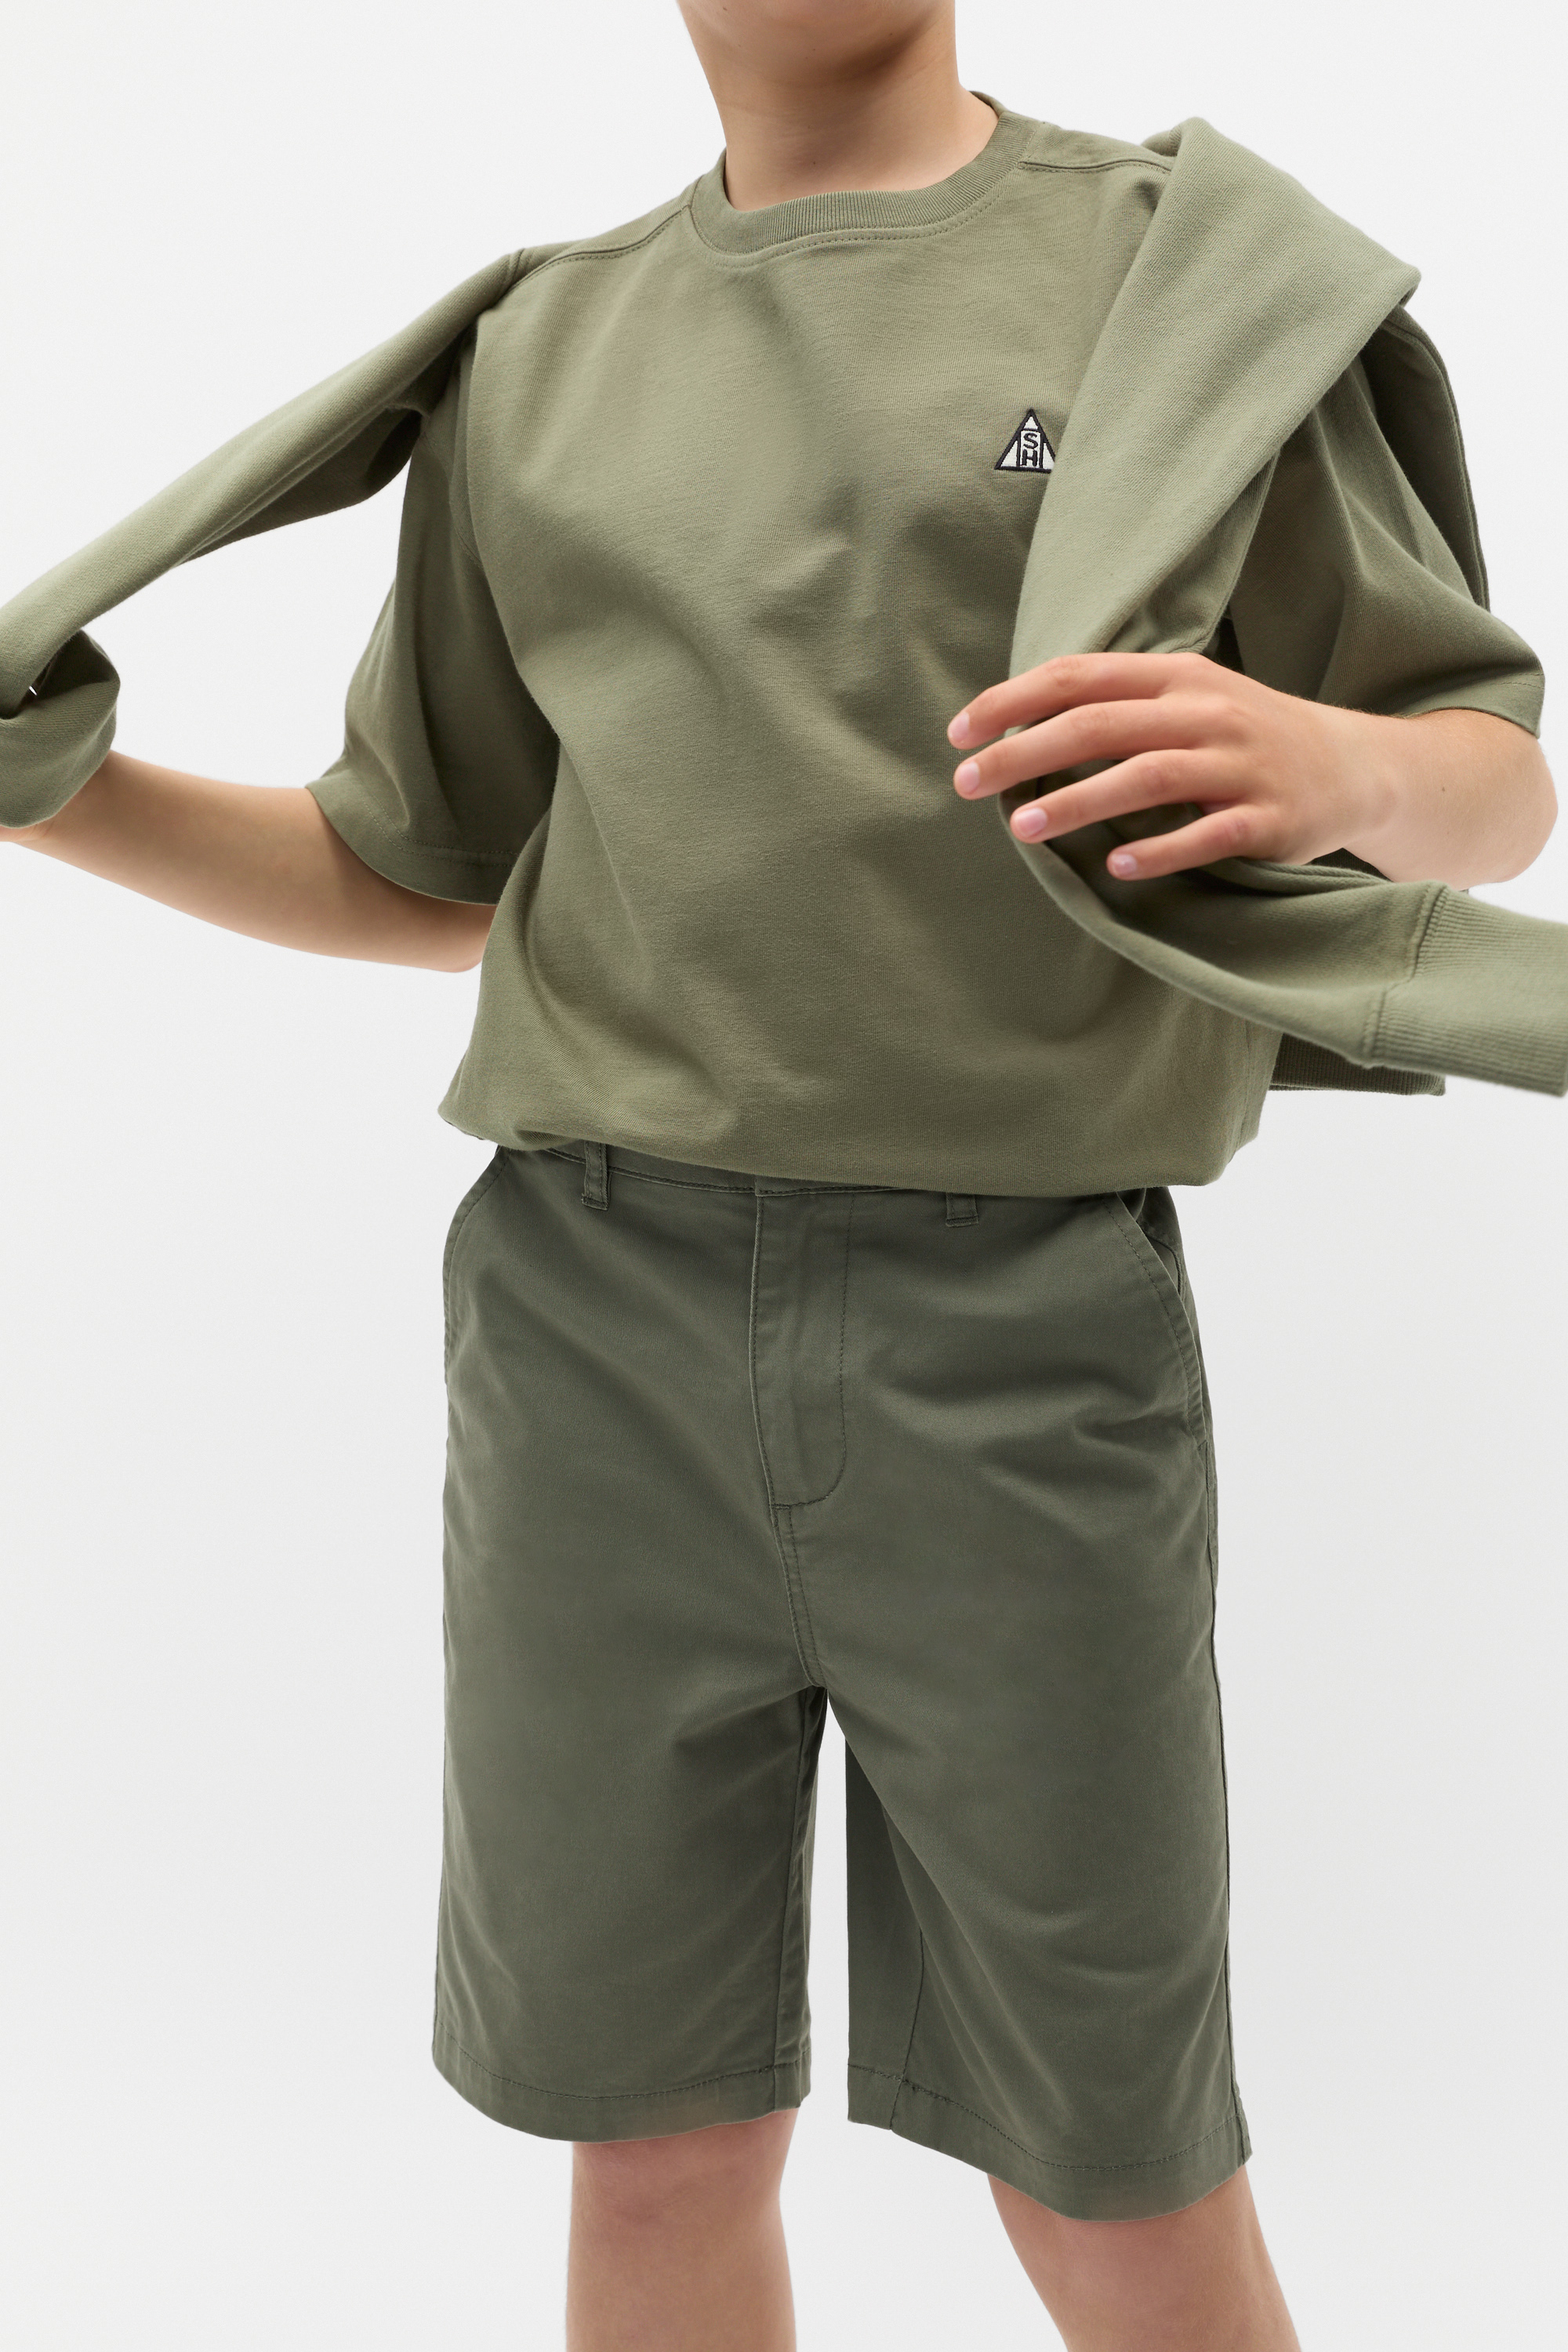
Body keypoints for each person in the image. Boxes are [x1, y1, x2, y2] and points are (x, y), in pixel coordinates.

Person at [1, 5, 1559, 2347]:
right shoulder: (543, 354)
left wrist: (1334, 764)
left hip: (1022, 1350)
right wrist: (55, 790)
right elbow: (422, 871)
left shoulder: (1179, 281)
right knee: (652, 2154)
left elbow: (1491, 780)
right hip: (590, 1338)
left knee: (1117, 2168)